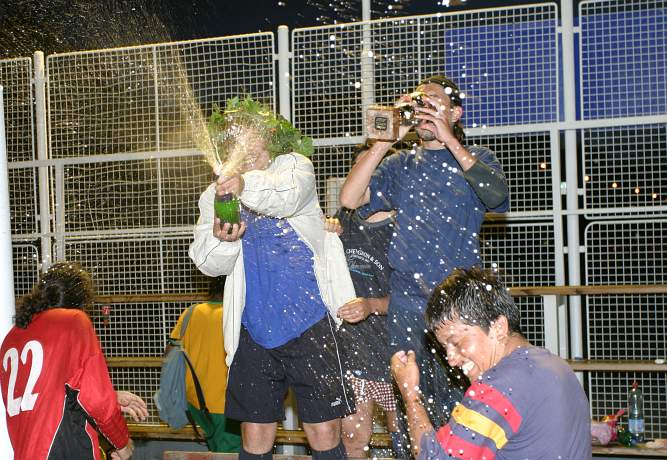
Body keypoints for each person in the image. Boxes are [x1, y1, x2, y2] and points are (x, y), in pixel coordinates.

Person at [339, 75, 510, 456]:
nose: (424, 109)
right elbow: (350, 199)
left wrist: (450, 139)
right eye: (419, 102)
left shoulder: (476, 158)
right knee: (409, 401)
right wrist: (383, 142)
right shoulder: (401, 164)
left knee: (463, 404)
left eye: (434, 101)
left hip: (459, 306)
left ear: (455, 113)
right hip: (407, 304)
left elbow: (497, 196)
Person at [189, 96, 357, 459]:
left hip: (311, 320)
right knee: (254, 432)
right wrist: (224, 241)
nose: (245, 148)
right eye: (235, 142)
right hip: (254, 327)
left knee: (324, 429)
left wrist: (244, 185)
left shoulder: (294, 166)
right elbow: (208, 263)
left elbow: (288, 198)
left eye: (251, 137)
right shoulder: (214, 195)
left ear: (269, 137)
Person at [391, 267, 592, 459]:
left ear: (498, 328)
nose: (451, 359)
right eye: (445, 348)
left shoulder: (500, 386)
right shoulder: (557, 367)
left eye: (456, 343)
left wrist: (410, 395)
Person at [0, 262, 140, 460]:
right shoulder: (73, 321)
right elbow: (95, 399)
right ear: (80, 299)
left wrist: (113, 396)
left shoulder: (13, 336)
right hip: (63, 447)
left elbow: (48, 393)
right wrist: (122, 442)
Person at [325, 140, 398, 457]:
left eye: (370, 167)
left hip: (398, 349)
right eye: (358, 166)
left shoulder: (406, 228)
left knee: (406, 439)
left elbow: (420, 298)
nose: (362, 173)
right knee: (354, 439)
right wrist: (323, 237)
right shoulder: (343, 220)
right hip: (351, 351)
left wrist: (372, 305)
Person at [167, 276, 241, 452]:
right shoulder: (237, 315)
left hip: (196, 402)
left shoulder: (191, 312)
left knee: (216, 449)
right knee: (231, 452)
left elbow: (170, 352)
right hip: (228, 402)